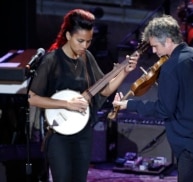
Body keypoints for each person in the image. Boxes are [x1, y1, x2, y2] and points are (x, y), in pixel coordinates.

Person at [28, 9, 139, 182]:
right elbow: (32, 98)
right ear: (67, 35)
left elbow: (104, 90)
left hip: (83, 132)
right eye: (80, 41)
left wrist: (125, 71)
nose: (84, 46)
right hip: (59, 133)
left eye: (88, 41)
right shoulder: (52, 60)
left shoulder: (86, 57)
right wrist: (66, 104)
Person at [112, 15, 193, 182]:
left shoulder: (171, 68)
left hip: (192, 146)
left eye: (155, 46)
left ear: (167, 40)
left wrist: (129, 104)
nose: (153, 51)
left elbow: (163, 110)